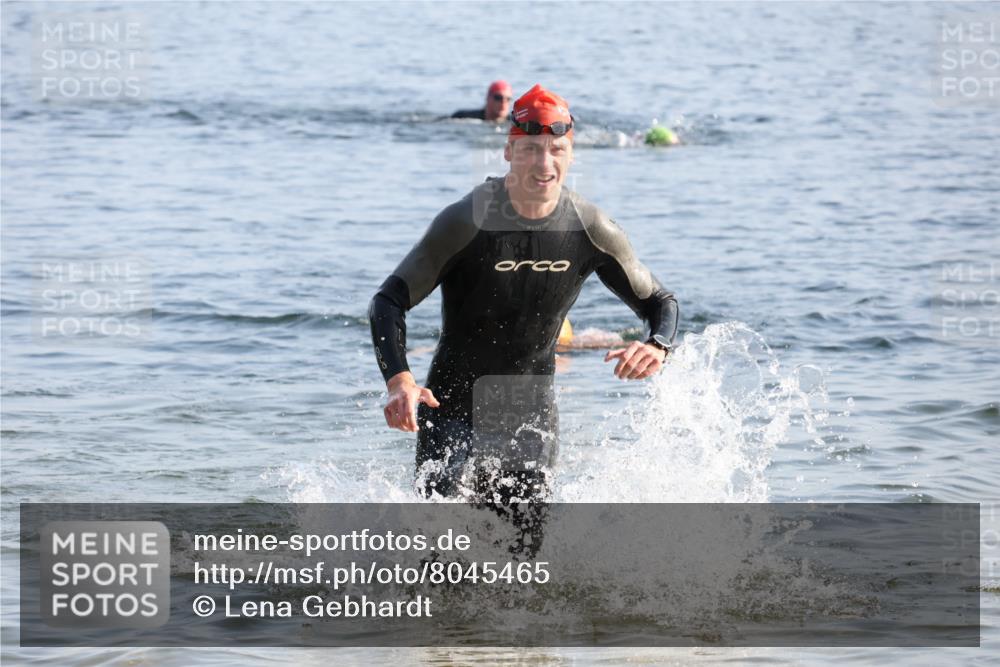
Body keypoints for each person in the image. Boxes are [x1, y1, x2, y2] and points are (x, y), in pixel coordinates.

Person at [370, 84, 679, 505]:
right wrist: (399, 381)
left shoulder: (589, 227)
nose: (544, 163)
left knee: (523, 566)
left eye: (556, 150)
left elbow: (660, 302)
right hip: (452, 408)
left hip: (530, 419)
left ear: (571, 154)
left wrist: (657, 345)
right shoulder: (467, 220)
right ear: (508, 151)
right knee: (444, 557)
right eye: (531, 148)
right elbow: (388, 301)